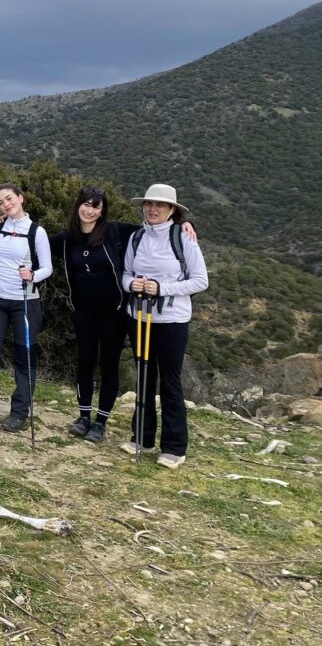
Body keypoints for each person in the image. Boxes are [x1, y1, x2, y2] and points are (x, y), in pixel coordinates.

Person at [50, 187, 198, 444]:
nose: (89, 210)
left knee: (109, 364)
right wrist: (7, 221)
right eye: (86, 204)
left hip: (115, 313)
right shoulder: (68, 238)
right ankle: (83, 416)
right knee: (85, 361)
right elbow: (36, 241)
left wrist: (185, 224)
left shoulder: (116, 231)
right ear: (77, 206)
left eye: (96, 206)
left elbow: (156, 228)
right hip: (83, 311)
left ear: (102, 211)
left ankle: (101, 421)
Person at [120, 184, 208, 469]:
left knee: (170, 381)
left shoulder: (183, 238)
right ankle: (142, 437)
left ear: (172, 210)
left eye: (159, 205)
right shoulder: (137, 237)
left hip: (172, 321)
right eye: (149, 204)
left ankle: (174, 447)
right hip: (139, 316)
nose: (153, 209)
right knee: (144, 376)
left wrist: (162, 288)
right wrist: (131, 285)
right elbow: (126, 274)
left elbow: (200, 280)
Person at [0, 183, 54, 432]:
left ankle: (18, 413)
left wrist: (33, 276)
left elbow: (47, 268)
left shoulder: (37, 232)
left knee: (24, 357)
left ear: (20, 198)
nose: (5, 205)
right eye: (0, 202)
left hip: (25, 302)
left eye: (9, 199)